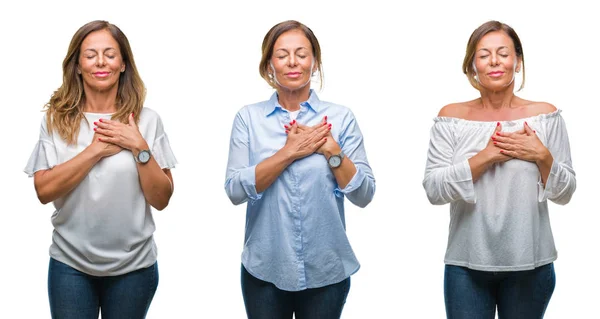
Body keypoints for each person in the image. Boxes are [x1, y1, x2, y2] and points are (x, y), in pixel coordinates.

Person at [422, 20, 576, 318]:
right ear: (471, 67)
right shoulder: (451, 117)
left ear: (517, 62)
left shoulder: (545, 116)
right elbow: (434, 190)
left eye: (503, 53)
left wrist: (542, 156)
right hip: (466, 265)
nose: (494, 61)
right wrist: (486, 156)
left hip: (531, 265)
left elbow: (566, 192)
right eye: (483, 55)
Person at [24, 20, 177, 319]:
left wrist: (139, 147)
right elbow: (44, 191)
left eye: (110, 53)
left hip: (134, 268)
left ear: (123, 64)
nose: (101, 62)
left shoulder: (147, 120)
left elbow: (161, 199)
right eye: (90, 54)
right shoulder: (56, 120)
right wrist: (95, 151)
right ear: (78, 66)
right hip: (70, 265)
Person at [225, 20, 375, 319]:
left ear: (314, 62)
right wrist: (289, 153)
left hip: (327, 270)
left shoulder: (340, 118)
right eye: (282, 55)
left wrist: (333, 152)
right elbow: (235, 190)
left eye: (301, 54)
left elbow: (364, 194)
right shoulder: (248, 118)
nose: (292, 62)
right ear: (269, 64)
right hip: (265, 268)